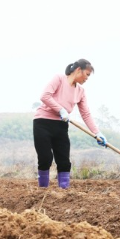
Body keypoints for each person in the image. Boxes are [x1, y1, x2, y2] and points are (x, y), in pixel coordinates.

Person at [33, 59, 107, 189]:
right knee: (45, 158)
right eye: (87, 74)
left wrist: (97, 133)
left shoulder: (80, 91)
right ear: (78, 70)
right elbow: (45, 96)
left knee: (64, 161)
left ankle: (64, 192)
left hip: (61, 126)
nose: (87, 78)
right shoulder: (59, 79)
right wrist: (60, 109)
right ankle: (42, 191)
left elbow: (86, 114)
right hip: (43, 123)